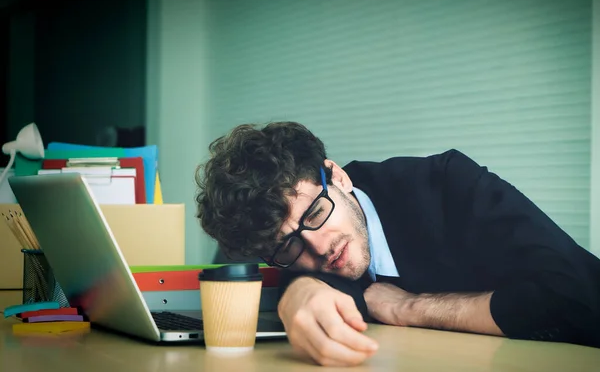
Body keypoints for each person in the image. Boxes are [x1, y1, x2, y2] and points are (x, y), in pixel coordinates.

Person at [194, 121, 600, 367]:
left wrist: (408, 308)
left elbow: (575, 298)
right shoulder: (297, 260)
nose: (318, 249)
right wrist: (299, 290)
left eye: (315, 214)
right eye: (288, 247)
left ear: (336, 177)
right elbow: (318, 285)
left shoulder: (450, 183)